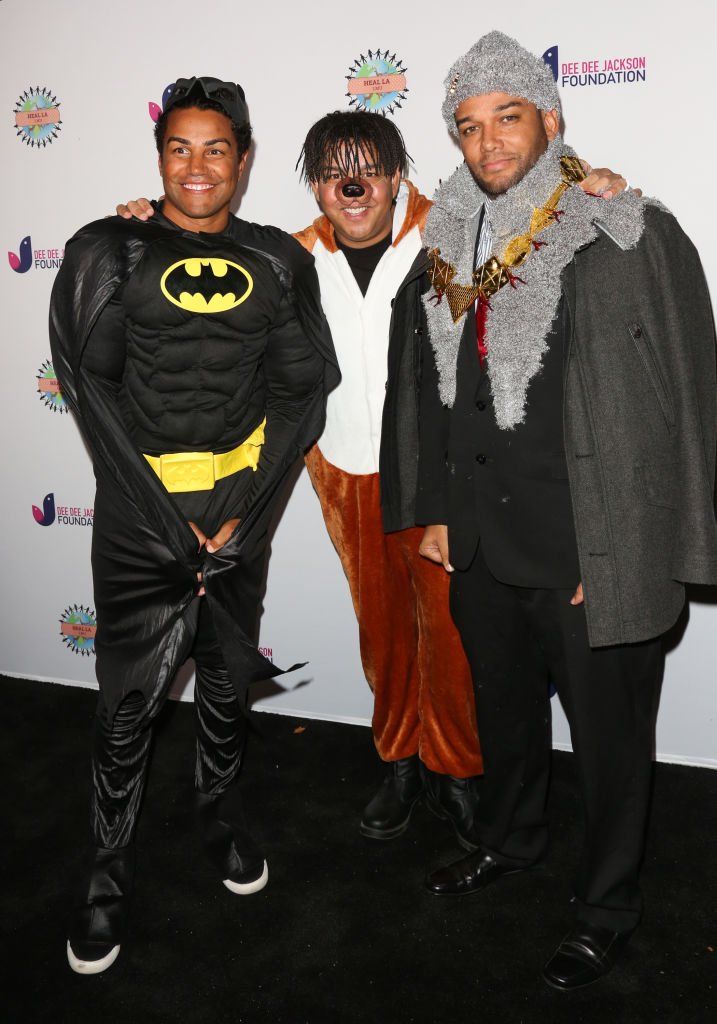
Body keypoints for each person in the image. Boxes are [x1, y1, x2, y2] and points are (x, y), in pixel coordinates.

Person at [118, 111, 629, 851]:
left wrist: (593, 185)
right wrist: (142, 220)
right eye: (332, 172)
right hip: (345, 471)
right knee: (382, 634)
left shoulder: (452, 230)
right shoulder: (285, 257)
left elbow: (536, 206)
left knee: (453, 640)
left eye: (367, 169)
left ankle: (456, 769)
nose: (350, 185)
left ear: (396, 175)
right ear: (316, 185)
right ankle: (398, 760)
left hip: (441, 477)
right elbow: (195, 254)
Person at [417, 31, 717, 990]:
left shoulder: (627, 226)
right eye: (468, 126)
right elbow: (428, 388)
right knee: (505, 721)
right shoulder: (447, 236)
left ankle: (607, 907)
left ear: (552, 119)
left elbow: (685, 394)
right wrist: (437, 511)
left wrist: (635, 544)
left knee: (610, 746)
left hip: (592, 543)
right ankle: (511, 843)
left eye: (508, 117)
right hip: (483, 542)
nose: (488, 142)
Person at [50, 75, 337, 975]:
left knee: (221, 683)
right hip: (141, 519)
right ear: (159, 156)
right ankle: (104, 875)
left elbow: (301, 390)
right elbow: (86, 384)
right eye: (180, 147)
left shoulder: (279, 261)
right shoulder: (110, 249)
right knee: (126, 705)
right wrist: (155, 514)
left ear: (244, 160)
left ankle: (220, 817)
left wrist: (245, 511)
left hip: (232, 520)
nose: (198, 165)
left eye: (217, 148)